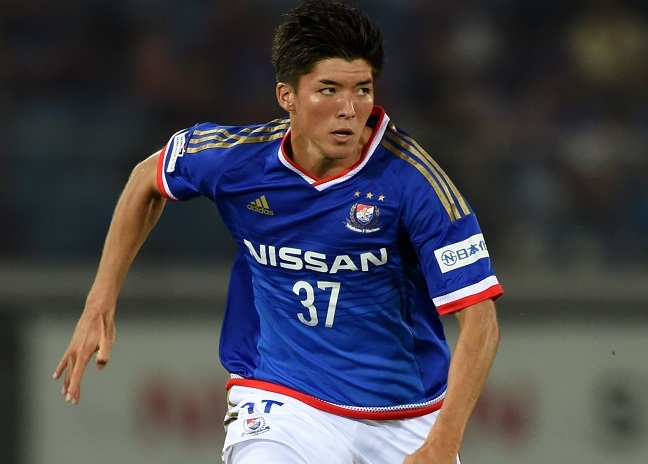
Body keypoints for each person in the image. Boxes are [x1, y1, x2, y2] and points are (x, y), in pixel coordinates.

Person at [53, 1, 502, 463]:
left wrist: (443, 443)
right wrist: (100, 299)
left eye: (362, 90)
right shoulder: (240, 159)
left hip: (406, 414)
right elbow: (148, 179)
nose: (349, 110)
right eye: (328, 89)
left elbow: (481, 320)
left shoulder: (416, 182)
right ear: (286, 95)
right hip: (283, 399)